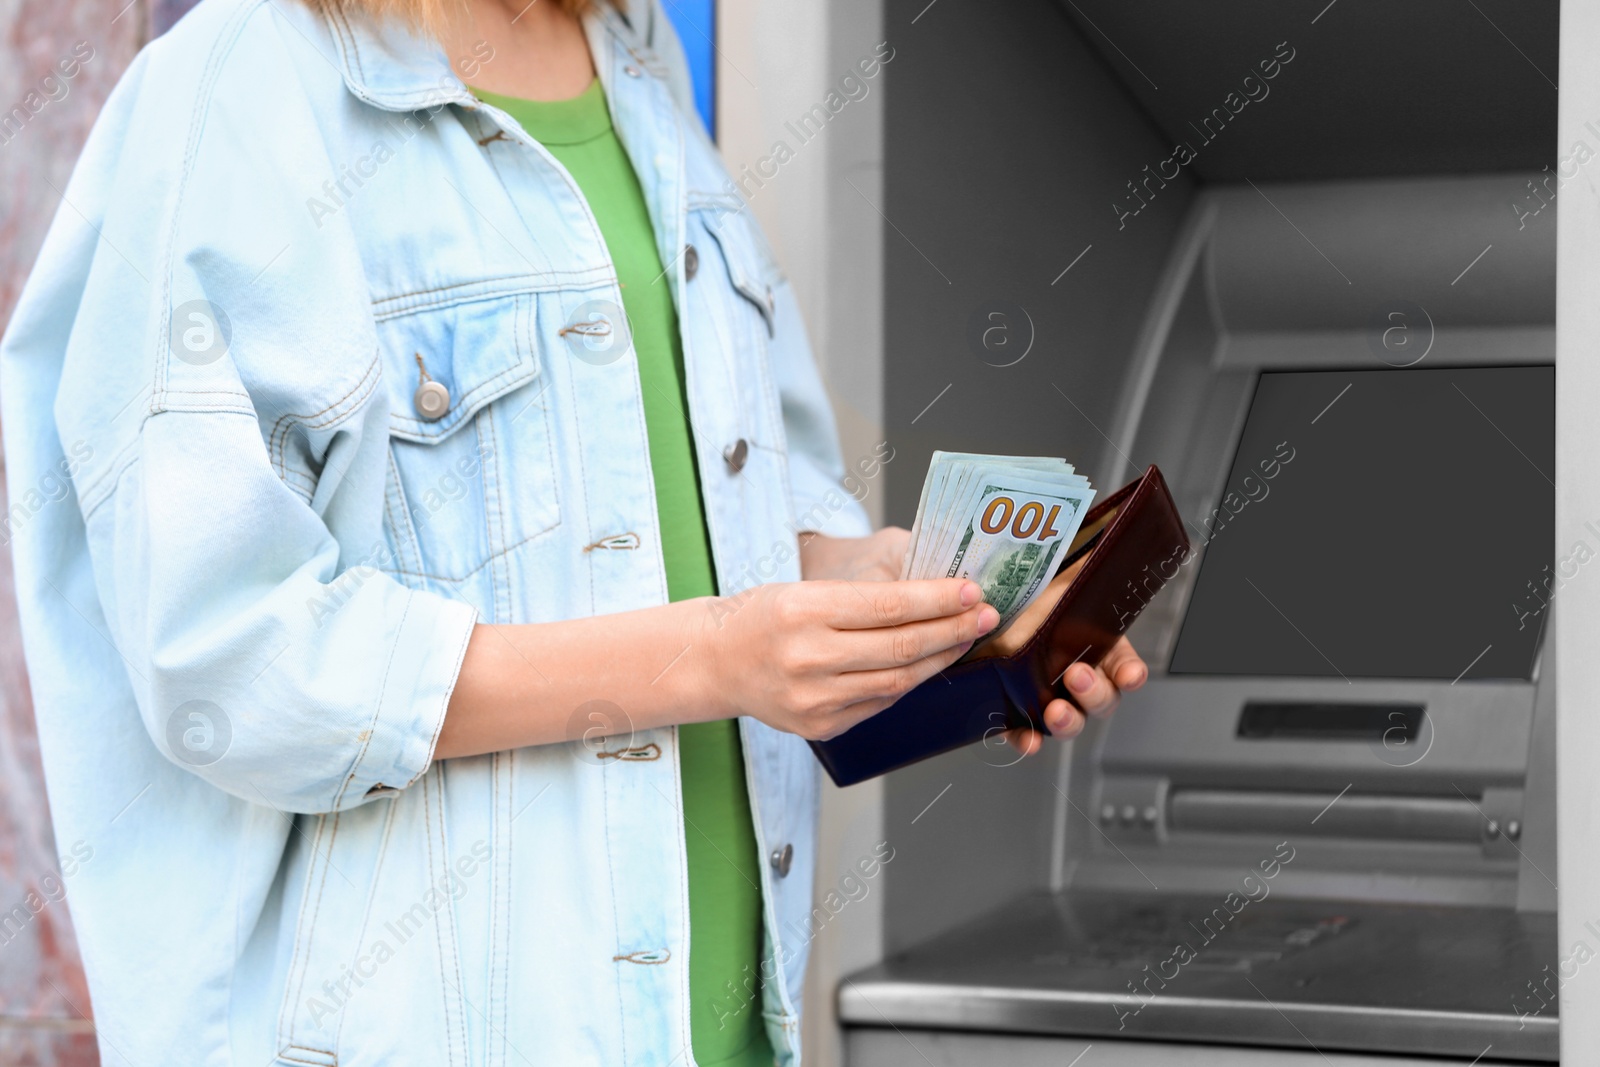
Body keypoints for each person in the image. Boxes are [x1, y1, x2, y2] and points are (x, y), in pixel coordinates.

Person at [0, 0, 1148, 1062]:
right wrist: (717, 653)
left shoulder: (635, 58)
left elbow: (710, 507)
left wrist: (900, 599)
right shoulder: (237, 92)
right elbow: (230, 658)